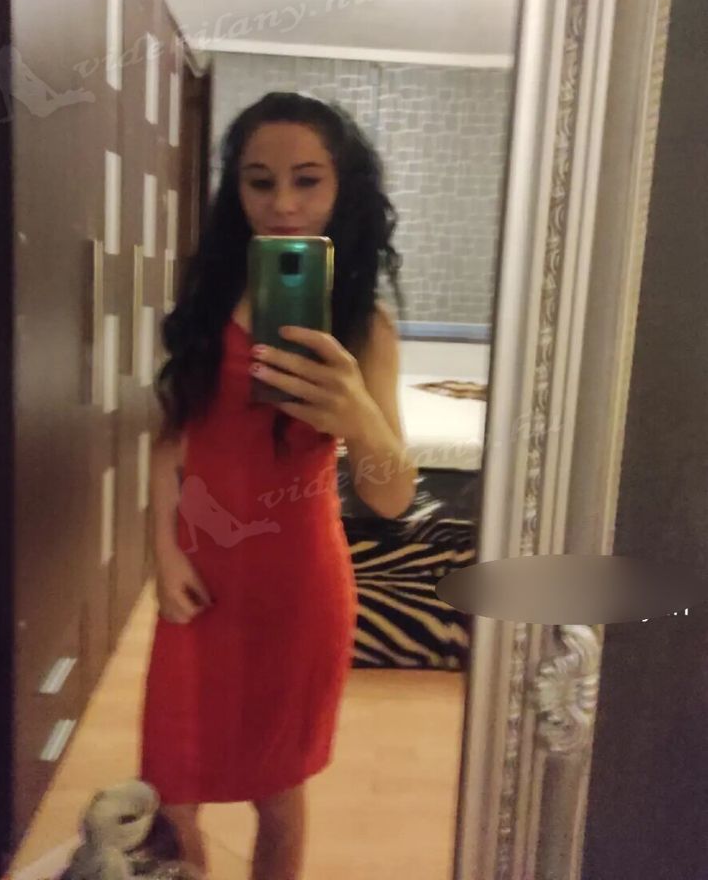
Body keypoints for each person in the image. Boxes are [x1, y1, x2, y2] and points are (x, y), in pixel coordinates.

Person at [140, 91, 418, 880]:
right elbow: (171, 439)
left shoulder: (363, 326)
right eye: (260, 182)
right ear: (237, 189)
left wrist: (357, 413)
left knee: (277, 791)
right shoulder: (206, 304)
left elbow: (393, 497)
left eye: (308, 180)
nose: (284, 205)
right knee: (171, 795)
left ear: (342, 188)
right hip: (200, 583)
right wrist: (163, 551)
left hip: (298, 588)